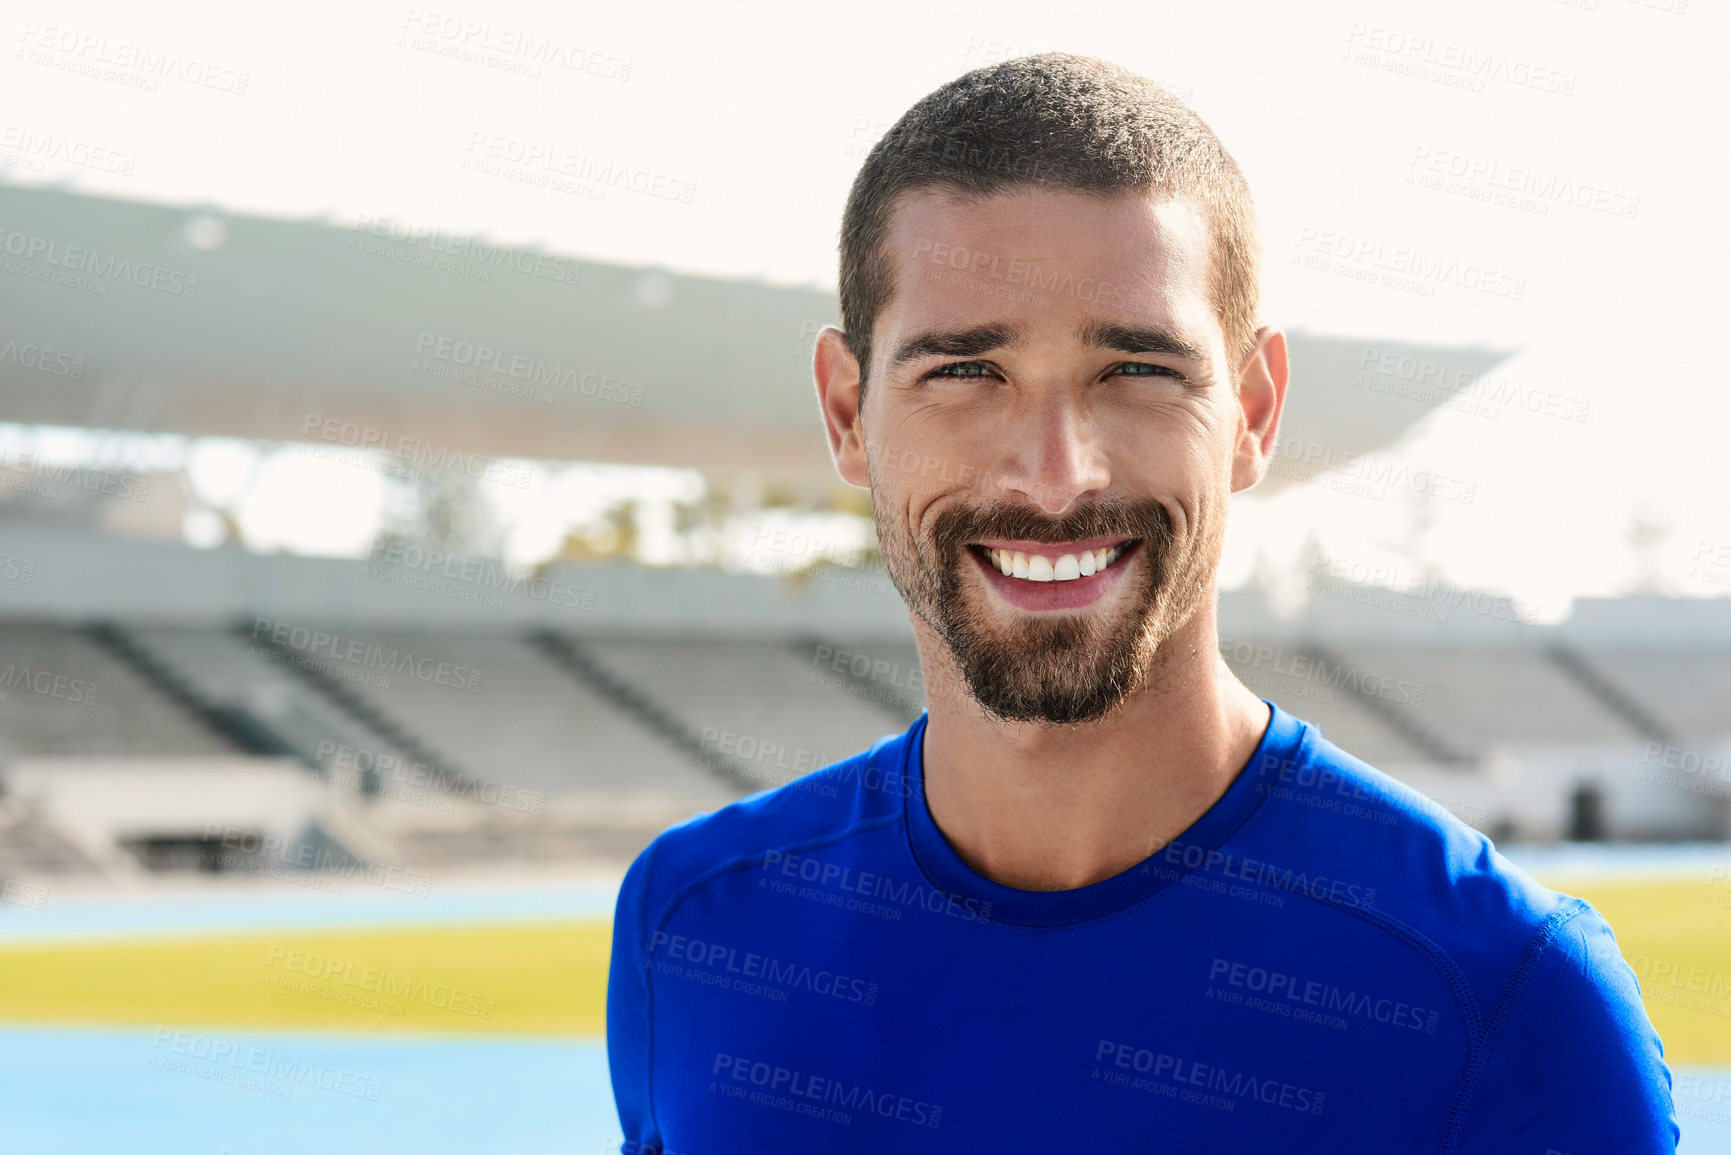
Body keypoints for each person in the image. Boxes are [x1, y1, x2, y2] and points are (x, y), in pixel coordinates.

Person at [606, 51, 1676, 1152]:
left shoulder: (1502, 995)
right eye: (966, 372)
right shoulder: (690, 926)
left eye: (1140, 370)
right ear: (846, 412)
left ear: (1254, 410)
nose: (1056, 473)